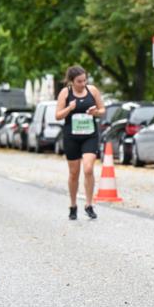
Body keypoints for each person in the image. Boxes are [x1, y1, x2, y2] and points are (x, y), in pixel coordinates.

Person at [54, 65, 105, 220]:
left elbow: (102, 110)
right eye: (79, 81)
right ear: (72, 81)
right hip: (72, 137)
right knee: (74, 173)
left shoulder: (93, 91)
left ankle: (89, 204)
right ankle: (73, 205)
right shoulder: (65, 93)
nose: (83, 83)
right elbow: (58, 115)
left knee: (88, 169)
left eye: (85, 80)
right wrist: (69, 108)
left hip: (90, 135)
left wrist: (95, 112)